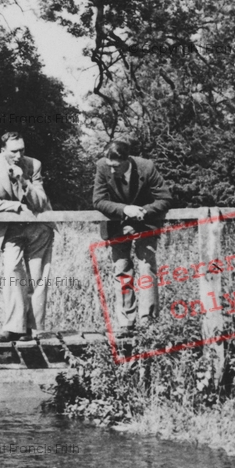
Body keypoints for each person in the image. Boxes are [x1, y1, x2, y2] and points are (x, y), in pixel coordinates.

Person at [0, 131, 56, 342]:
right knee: (12, 271)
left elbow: (40, 203)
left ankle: (33, 329)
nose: (19, 155)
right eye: (14, 151)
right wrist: (16, 206)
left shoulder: (34, 165)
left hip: (38, 229)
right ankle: (14, 327)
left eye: (22, 150)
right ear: (3, 150)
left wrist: (24, 181)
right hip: (10, 229)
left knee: (37, 276)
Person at [93, 138, 173, 330]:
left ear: (127, 160)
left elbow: (165, 198)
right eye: (109, 166)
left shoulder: (146, 167)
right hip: (117, 225)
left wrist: (143, 211)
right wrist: (125, 209)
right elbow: (98, 200)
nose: (112, 171)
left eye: (116, 166)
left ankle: (149, 323)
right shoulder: (102, 166)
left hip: (145, 225)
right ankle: (125, 324)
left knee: (147, 269)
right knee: (121, 271)